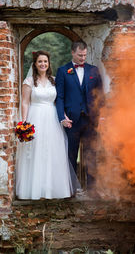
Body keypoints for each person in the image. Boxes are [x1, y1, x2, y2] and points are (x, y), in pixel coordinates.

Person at [16, 50, 75, 200]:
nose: (43, 64)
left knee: (52, 151)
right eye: (40, 61)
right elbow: (25, 102)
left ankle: (52, 189)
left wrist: (64, 117)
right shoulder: (29, 81)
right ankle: (34, 190)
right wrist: (24, 123)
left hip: (52, 118)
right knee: (36, 152)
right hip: (35, 117)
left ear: (49, 64)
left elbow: (58, 102)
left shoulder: (54, 80)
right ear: (35, 64)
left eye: (45, 61)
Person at [55, 41, 104, 193]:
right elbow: (60, 97)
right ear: (72, 53)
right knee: (71, 155)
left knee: (91, 153)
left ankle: (92, 189)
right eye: (79, 55)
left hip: (91, 120)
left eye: (84, 55)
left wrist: (102, 116)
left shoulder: (94, 70)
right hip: (71, 120)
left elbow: (100, 96)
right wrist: (61, 117)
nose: (83, 58)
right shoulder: (63, 71)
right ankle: (71, 188)